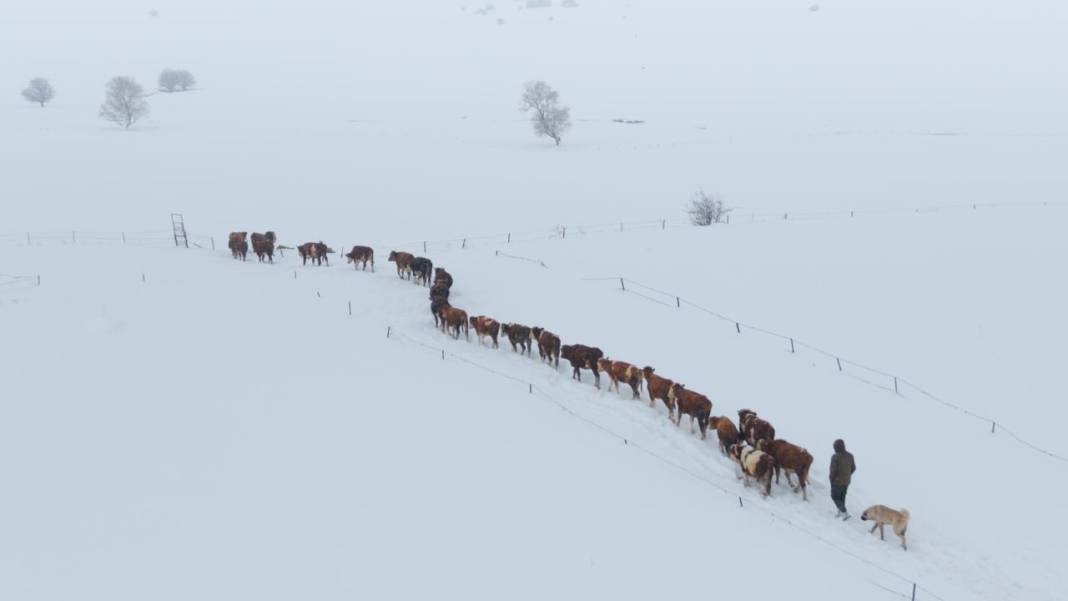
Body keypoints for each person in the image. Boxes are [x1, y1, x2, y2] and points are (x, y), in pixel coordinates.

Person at [829, 438, 856, 519]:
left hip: (837, 481)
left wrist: (831, 478)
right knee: (842, 497)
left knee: (834, 497)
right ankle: (840, 512)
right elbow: (853, 468)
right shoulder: (850, 456)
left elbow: (833, 470)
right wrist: (847, 475)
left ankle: (844, 512)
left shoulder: (835, 457)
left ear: (836, 447)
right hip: (847, 481)